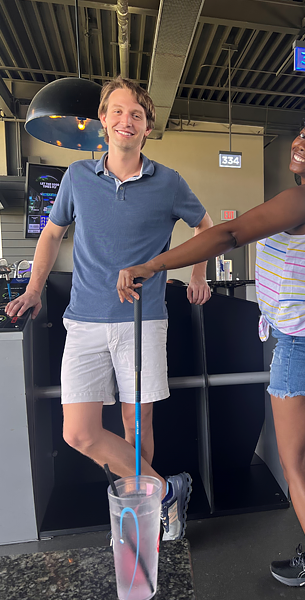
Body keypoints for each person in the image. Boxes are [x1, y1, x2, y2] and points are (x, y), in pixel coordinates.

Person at [116, 99, 305, 600]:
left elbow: (229, 233)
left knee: (296, 469)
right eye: (303, 134)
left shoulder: (304, 199)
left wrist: (152, 265)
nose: (302, 145)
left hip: (302, 341)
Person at [5, 76, 213, 541]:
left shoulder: (168, 182)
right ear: (102, 120)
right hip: (84, 321)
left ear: (147, 127)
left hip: (143, 321)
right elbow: (52, 234)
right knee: (78, 432)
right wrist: (35, 289)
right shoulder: (77, 177)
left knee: (135, 425)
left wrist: (198, 275)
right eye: (117, 112)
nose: (126, 120)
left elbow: (206, 225)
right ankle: (163, 490)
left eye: (136, 114)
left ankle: (143, 514)